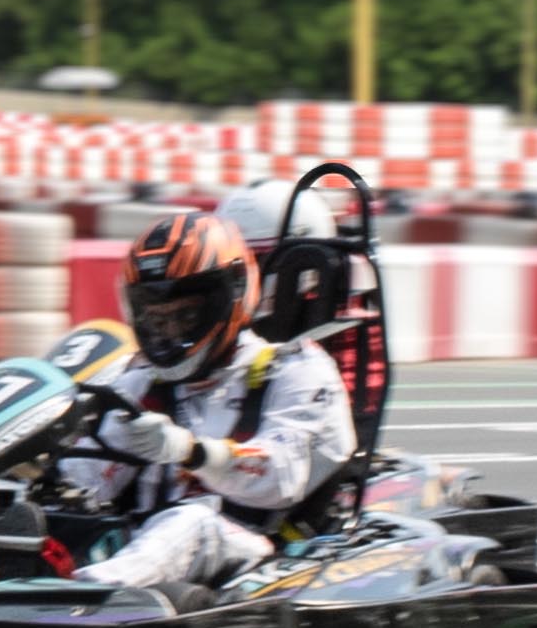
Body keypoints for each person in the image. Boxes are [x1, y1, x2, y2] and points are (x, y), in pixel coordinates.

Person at [68, 204, 356, 603]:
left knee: (190, 522)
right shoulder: (140, 381)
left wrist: (192, 452)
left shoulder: (294, 368)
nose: (168, 333)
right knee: (55, 514)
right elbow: (87, 478)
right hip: (144, 549)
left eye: (184, 317)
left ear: (231, 296)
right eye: (157, 319)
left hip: (257, 547)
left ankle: (81, 605)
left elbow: (282, 475)